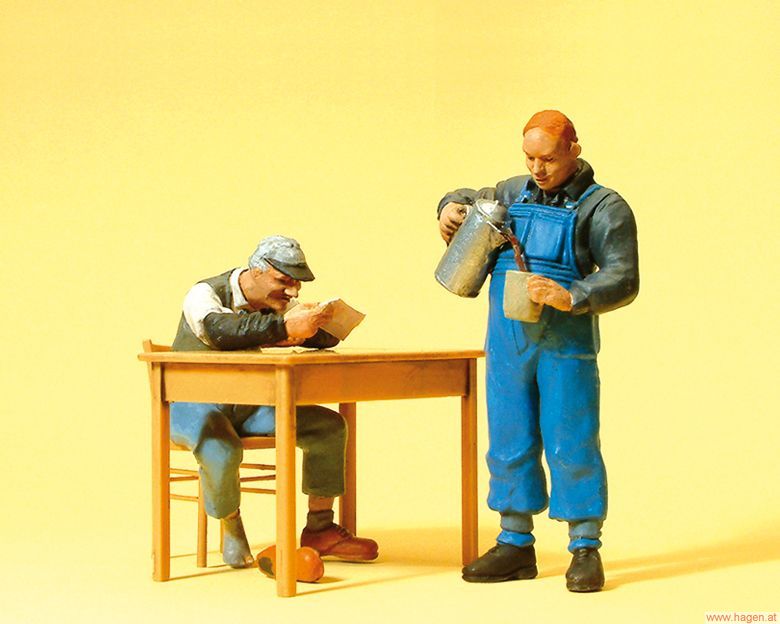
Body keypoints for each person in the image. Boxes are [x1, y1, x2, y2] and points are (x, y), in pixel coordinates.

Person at [437, 110, 639, 592]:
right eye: (529, 158)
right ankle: (514, 543)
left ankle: (585, 546)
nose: (537, 169)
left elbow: (623, 276)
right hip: (507, 340)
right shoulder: (512, 193)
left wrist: (574, 295)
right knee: (509, 436)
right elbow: (467, 196)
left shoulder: (603, 207)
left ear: (574, 149)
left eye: (547, 158)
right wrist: (448, 207)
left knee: (573, 439)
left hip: (566, 342)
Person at [170, 235, 378, 579]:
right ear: (256, 270)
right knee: (221, 448)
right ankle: (230, 523)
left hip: (248, 405)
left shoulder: (275, 305)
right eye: (284, 280)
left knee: (327, 427)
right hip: (193, 405)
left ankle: (321, 528)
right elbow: (220, 331)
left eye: (296, 283)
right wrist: (283, 326)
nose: (292, 291)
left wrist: (321, 323)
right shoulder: (205, 294)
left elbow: (313, 339)